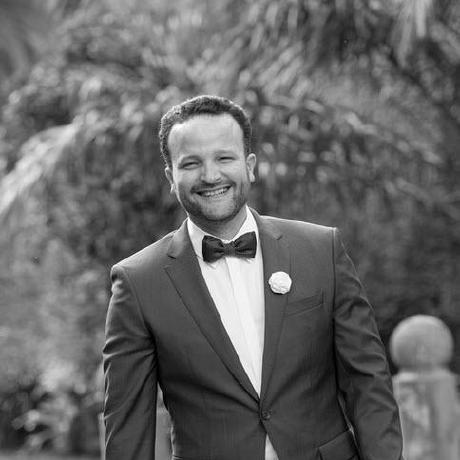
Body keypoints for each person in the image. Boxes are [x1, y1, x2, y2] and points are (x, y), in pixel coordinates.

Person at [103, 95, 404, 460]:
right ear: (171, 177)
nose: (210, 176)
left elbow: (367, 380)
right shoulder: (138, 282)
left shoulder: (321, 250)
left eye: (224, 158)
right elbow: (128, 427)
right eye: (192, 163)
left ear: (250, 166)